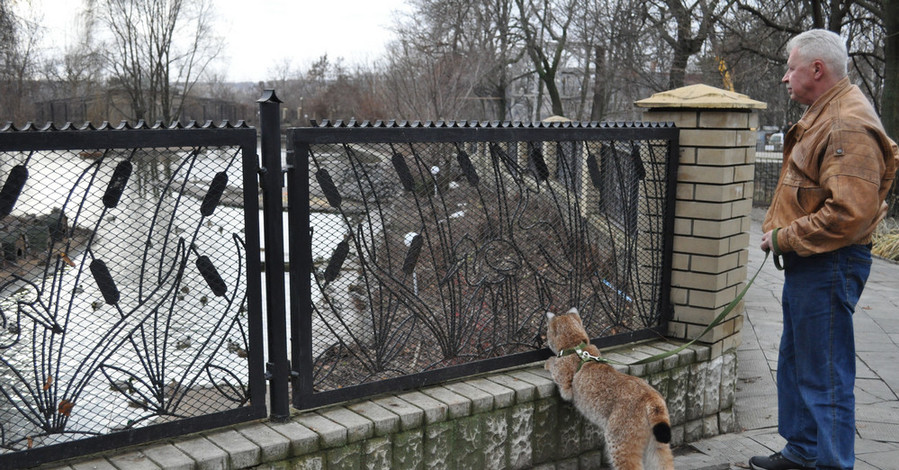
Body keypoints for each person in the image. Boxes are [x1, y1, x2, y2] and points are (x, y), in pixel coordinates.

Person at [750, 29, 899, 470]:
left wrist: (784, 237)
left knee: (825, 375)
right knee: (799, 363)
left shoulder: (844, 122)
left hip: (828, 262)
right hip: (814, 263)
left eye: (790, 67)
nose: (784, 77)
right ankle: (804, 451)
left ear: (817, 69)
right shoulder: (828, 112)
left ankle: (831, 463)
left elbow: (849, 214)